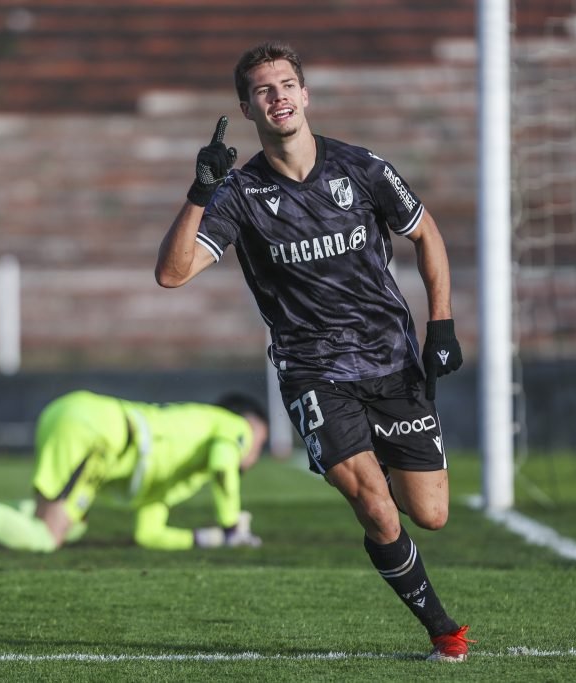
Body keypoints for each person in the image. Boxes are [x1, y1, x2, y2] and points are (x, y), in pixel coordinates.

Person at [155, 41, 473, 662]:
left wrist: (442, 325)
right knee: (377, 509)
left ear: (305, 95)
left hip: (391, 363)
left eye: (286, 86)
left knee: (431, 514)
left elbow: (426, 232)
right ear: (247, 108)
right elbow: (171, 274)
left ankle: (375, 464)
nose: (277, 97)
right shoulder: (239, 193)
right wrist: (199, 192)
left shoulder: (362, 168)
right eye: (263, 90)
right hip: (313, 372)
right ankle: (444, 631)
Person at [0, 390, 269, 552]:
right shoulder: (232, 426)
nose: (254, 454)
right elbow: (224, 465)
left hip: (87, 423)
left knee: (72, 525)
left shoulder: (184, 459)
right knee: (46, 539)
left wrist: (212, 538)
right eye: (258, 441)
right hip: (98, 434)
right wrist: (231, 524)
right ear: (249, 425)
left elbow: (149, 534)